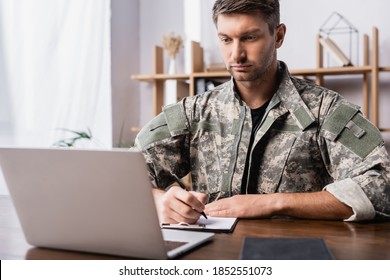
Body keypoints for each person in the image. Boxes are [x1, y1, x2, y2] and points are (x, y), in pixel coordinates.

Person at [134, 0, 390, 224]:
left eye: (249, 37)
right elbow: (126, 172)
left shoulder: (325, 110)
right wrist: (157, 200)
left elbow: (383, 186)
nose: (236, 54)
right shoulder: (194, 111)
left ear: (278, 36)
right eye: (226, 39)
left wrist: (273, 203)